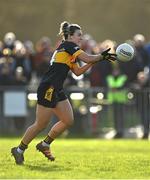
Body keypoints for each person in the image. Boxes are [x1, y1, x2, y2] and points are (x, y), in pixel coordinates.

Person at [11, 21, 117, 165]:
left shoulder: (69, 50)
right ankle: (19, 149)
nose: (81, 38)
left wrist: (95, 60)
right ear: (70, 36)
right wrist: (101, 56)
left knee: (68, 120)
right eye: (79, 35)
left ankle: (45, 144)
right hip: (48, 87)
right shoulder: (68, 45)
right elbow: (87, 58)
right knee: (40, 125)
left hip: (57, 88)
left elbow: (78, 72)